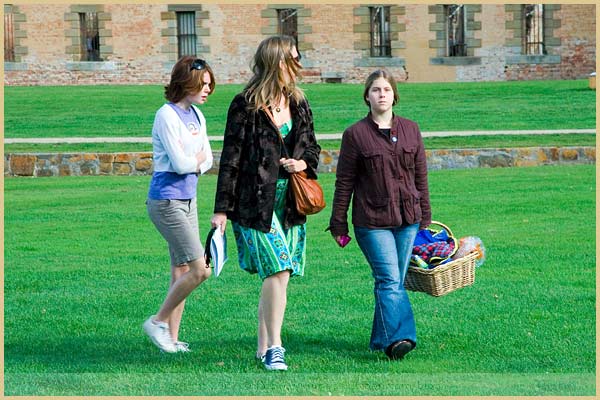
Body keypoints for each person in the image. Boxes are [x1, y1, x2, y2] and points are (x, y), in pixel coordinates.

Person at [211, 35, 321, 371]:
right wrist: (220, 211)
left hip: (289, 205)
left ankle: (262, 347)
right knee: (278, 268)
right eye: (294, 58)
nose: (299, 65)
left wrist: (302, 164)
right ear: (277, 62)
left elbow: (313, 149)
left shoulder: (299, 103)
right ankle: (276, 347)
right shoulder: (244, 104)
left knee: (279, 277)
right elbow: (230, 159)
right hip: (253, 205)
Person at [328, 69, 431, 361]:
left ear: (394, 95)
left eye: (386, 89)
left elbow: (421, 176)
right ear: (367, 96)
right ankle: (402, 337)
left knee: (392, 282)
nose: (381, 94)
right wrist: (338, 223)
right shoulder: (355, 135)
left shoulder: (411, 129)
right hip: (372, 222)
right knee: (388, 279)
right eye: (375, 90)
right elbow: (344, 181)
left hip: (408, 219)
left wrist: (425, 218)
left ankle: (380, 338)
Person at [143, 56, 215, 353]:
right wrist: (195, 162)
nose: (208, 89)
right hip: (166, 201)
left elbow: (207, 159)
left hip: (189, 199)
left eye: (210, 84)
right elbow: (180, 163)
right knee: (200, 270)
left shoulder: (197, 115)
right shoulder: (166, 115)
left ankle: (171, 339)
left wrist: (195, 162)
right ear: (185, 82)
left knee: (181, 269)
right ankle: (157, 322)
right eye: (203, 83)